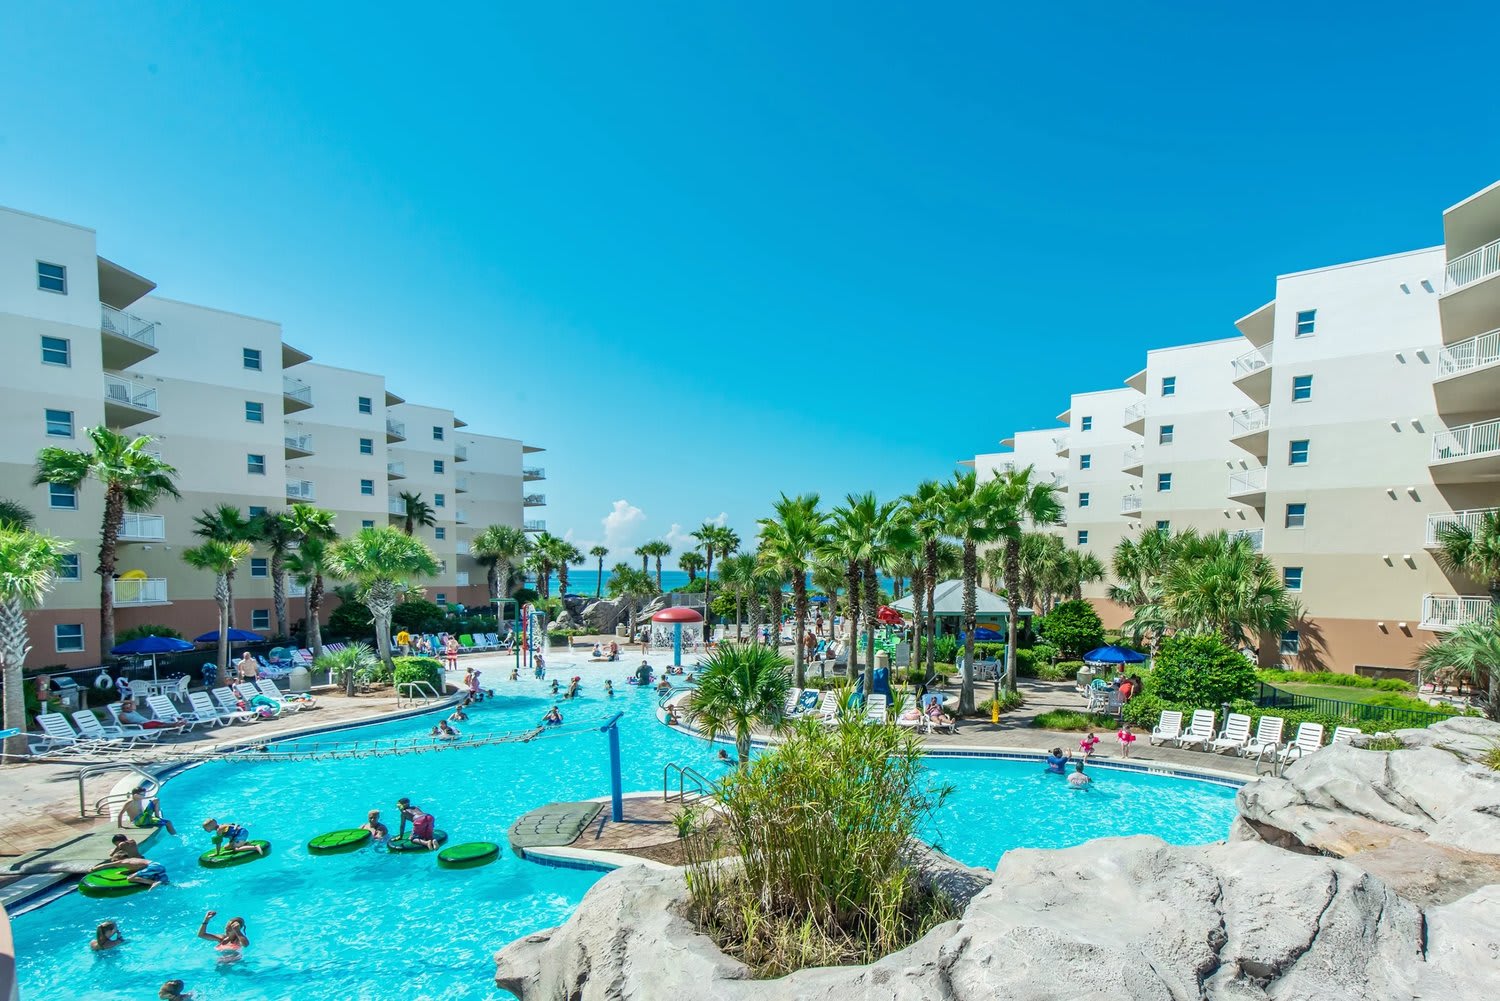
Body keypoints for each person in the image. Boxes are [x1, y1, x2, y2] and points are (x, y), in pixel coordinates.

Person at [116, 699, 186, 731]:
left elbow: (132, 701)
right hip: (140, 725)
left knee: (160, 723)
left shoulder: (132, 711)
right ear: (123, 708)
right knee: (158, 725)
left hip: (147, 722)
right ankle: (175, 724)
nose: (129, 708)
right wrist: (138, 724)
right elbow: (125, 722)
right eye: (127, 707)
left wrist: (120, 701)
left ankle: (175, 724)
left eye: (129, 707)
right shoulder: (122, 715)